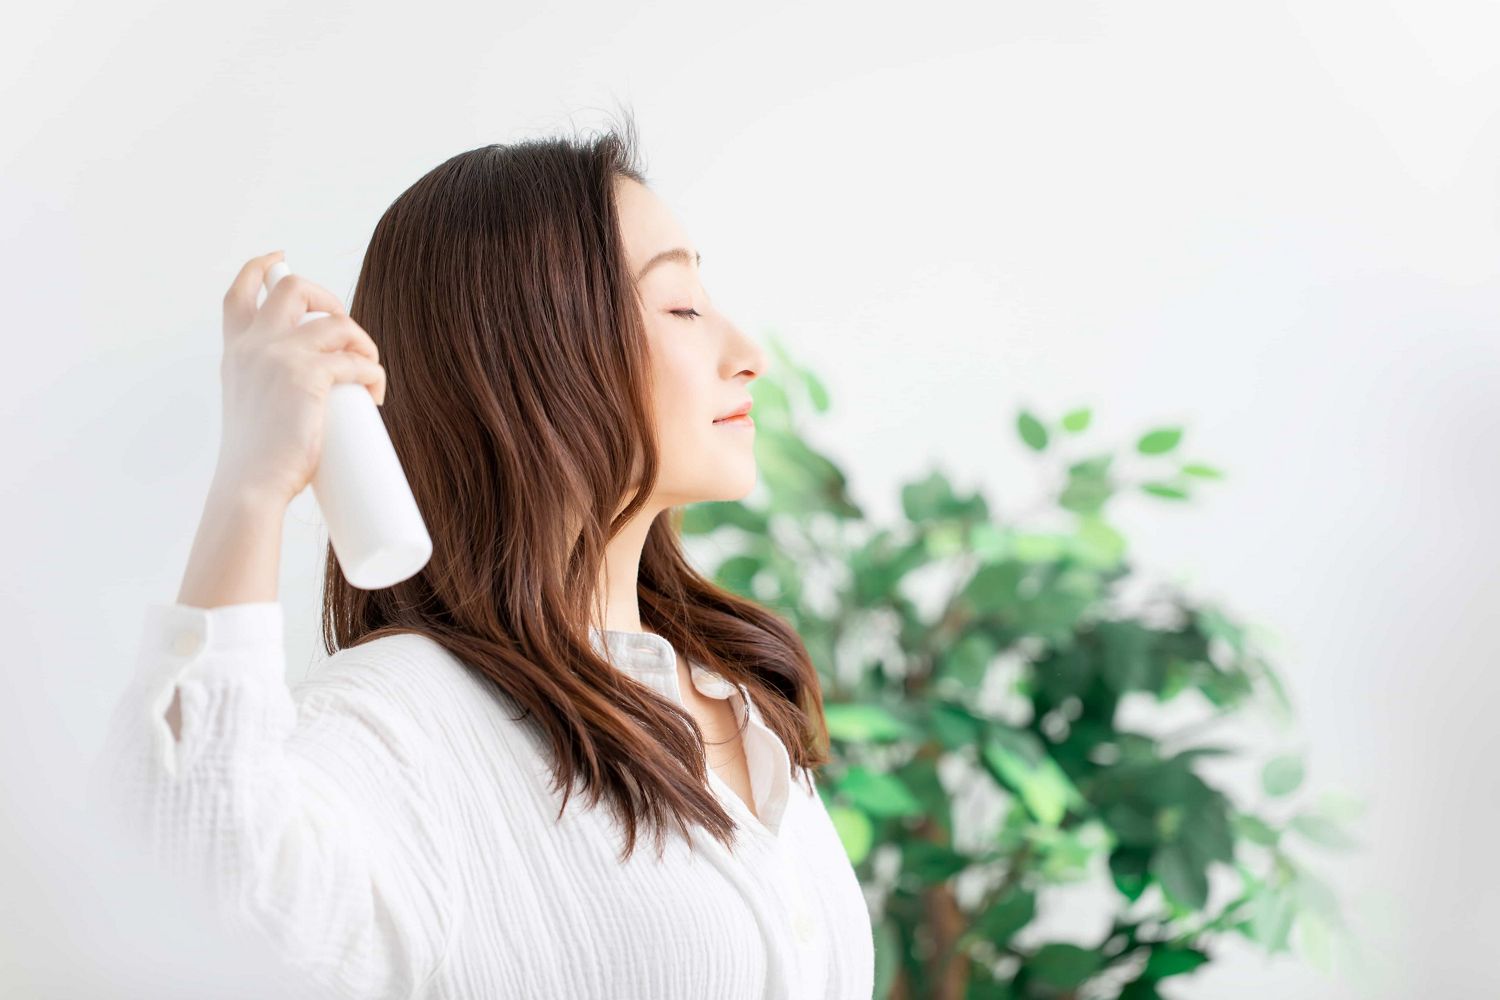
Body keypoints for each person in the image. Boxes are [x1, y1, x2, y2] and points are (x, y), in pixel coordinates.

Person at [90, 113, 877, 1000]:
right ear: (530, 352)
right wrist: (251, 486)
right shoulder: (407, 720)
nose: (748, 355)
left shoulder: (735, 690)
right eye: (682, 306)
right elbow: (189, 894)